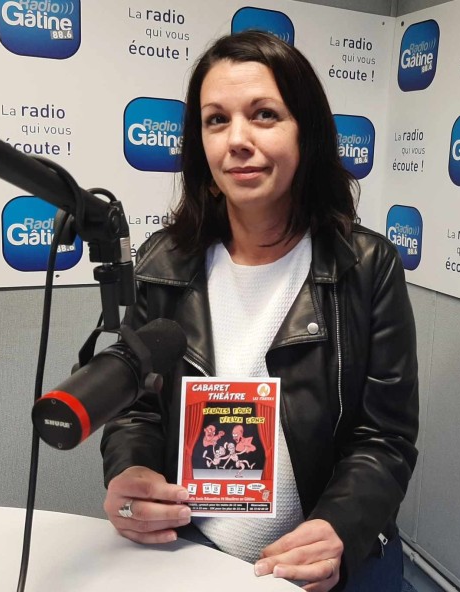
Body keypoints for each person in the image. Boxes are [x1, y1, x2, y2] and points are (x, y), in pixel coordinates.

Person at [100, 31, 419, 592]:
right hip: (196, 558)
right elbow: (137, 410)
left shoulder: (367, 267)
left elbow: (384, 437)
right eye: (216, 120)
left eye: (264, 115)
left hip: (326, 568)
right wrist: (131, 472)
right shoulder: (161, 264)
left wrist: (338, 527)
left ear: (306, 133)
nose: (237, 140)